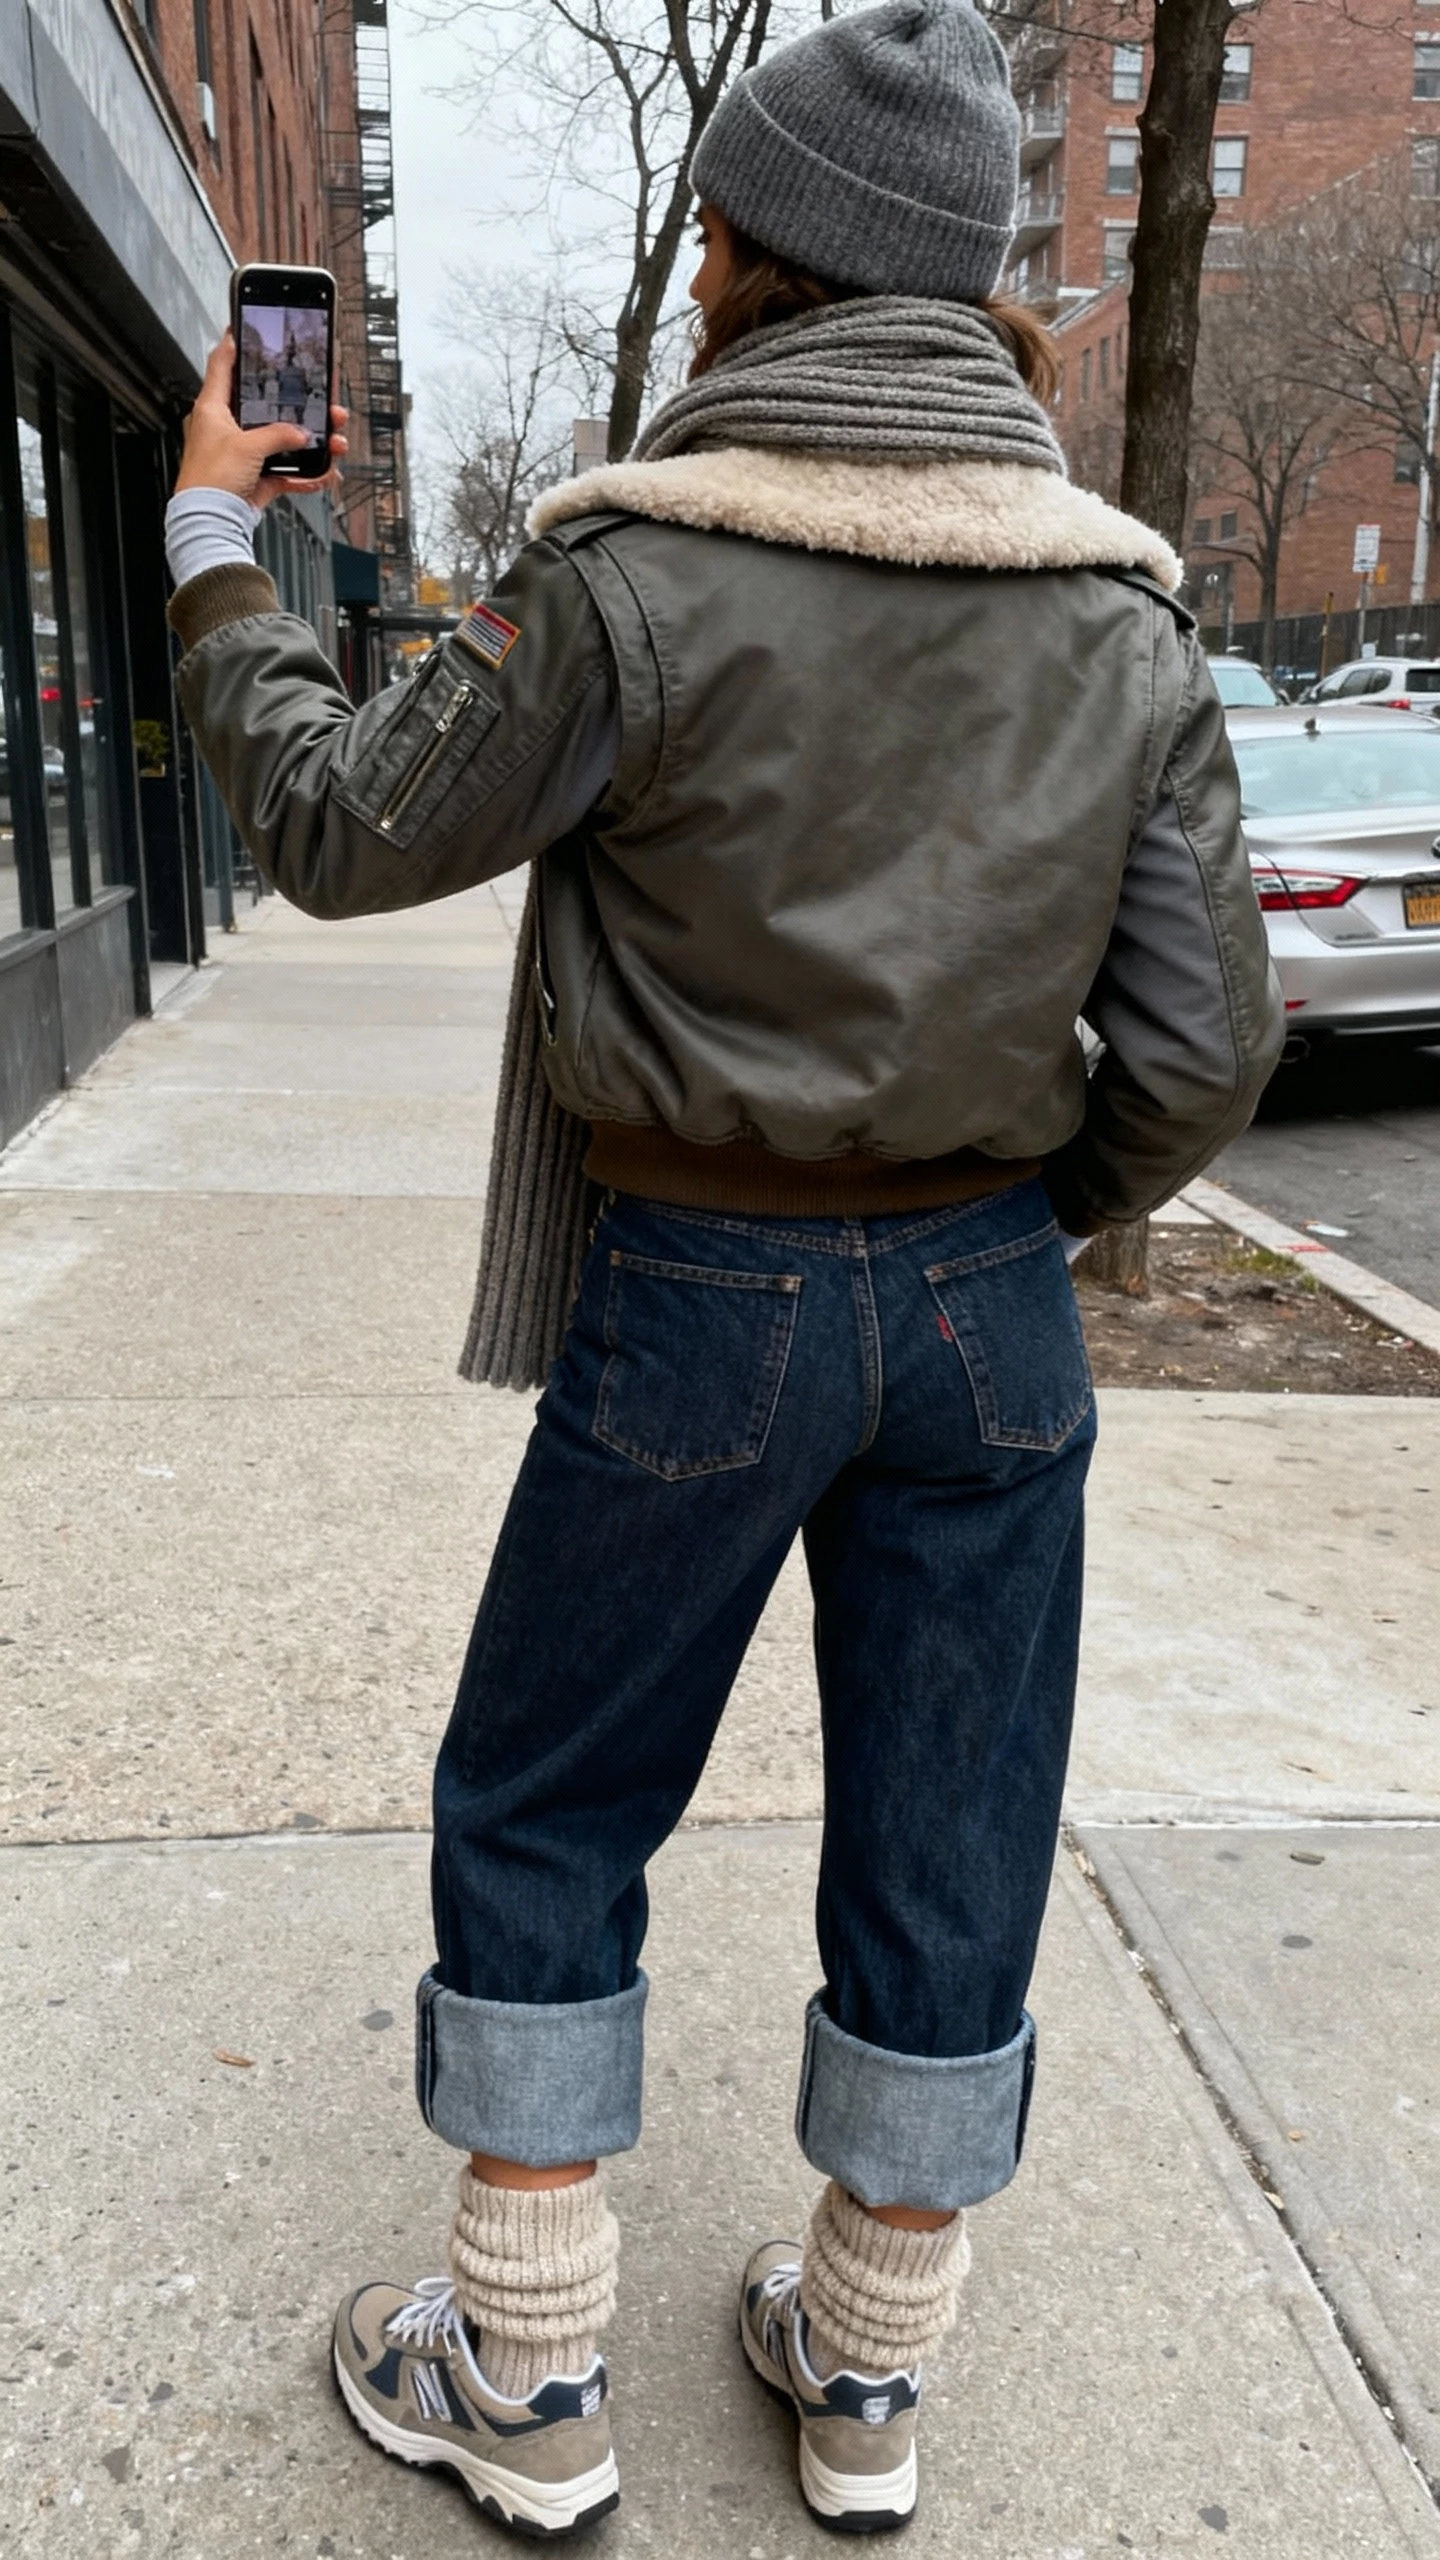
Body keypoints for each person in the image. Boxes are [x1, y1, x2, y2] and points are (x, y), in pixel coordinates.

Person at [164, 0, 1284, 2537]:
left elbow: (340, 828)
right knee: (955, 1815)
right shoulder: (1124, 610)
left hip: (700, 1293)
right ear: (974, 288)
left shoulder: (632, 570)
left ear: (744, 262)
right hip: (995, 1303)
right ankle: (865, 2378)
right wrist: (1027, 1223)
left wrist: (222, 542)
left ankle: (533, 2382)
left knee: (556, 1794)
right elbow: (1205, 1050)